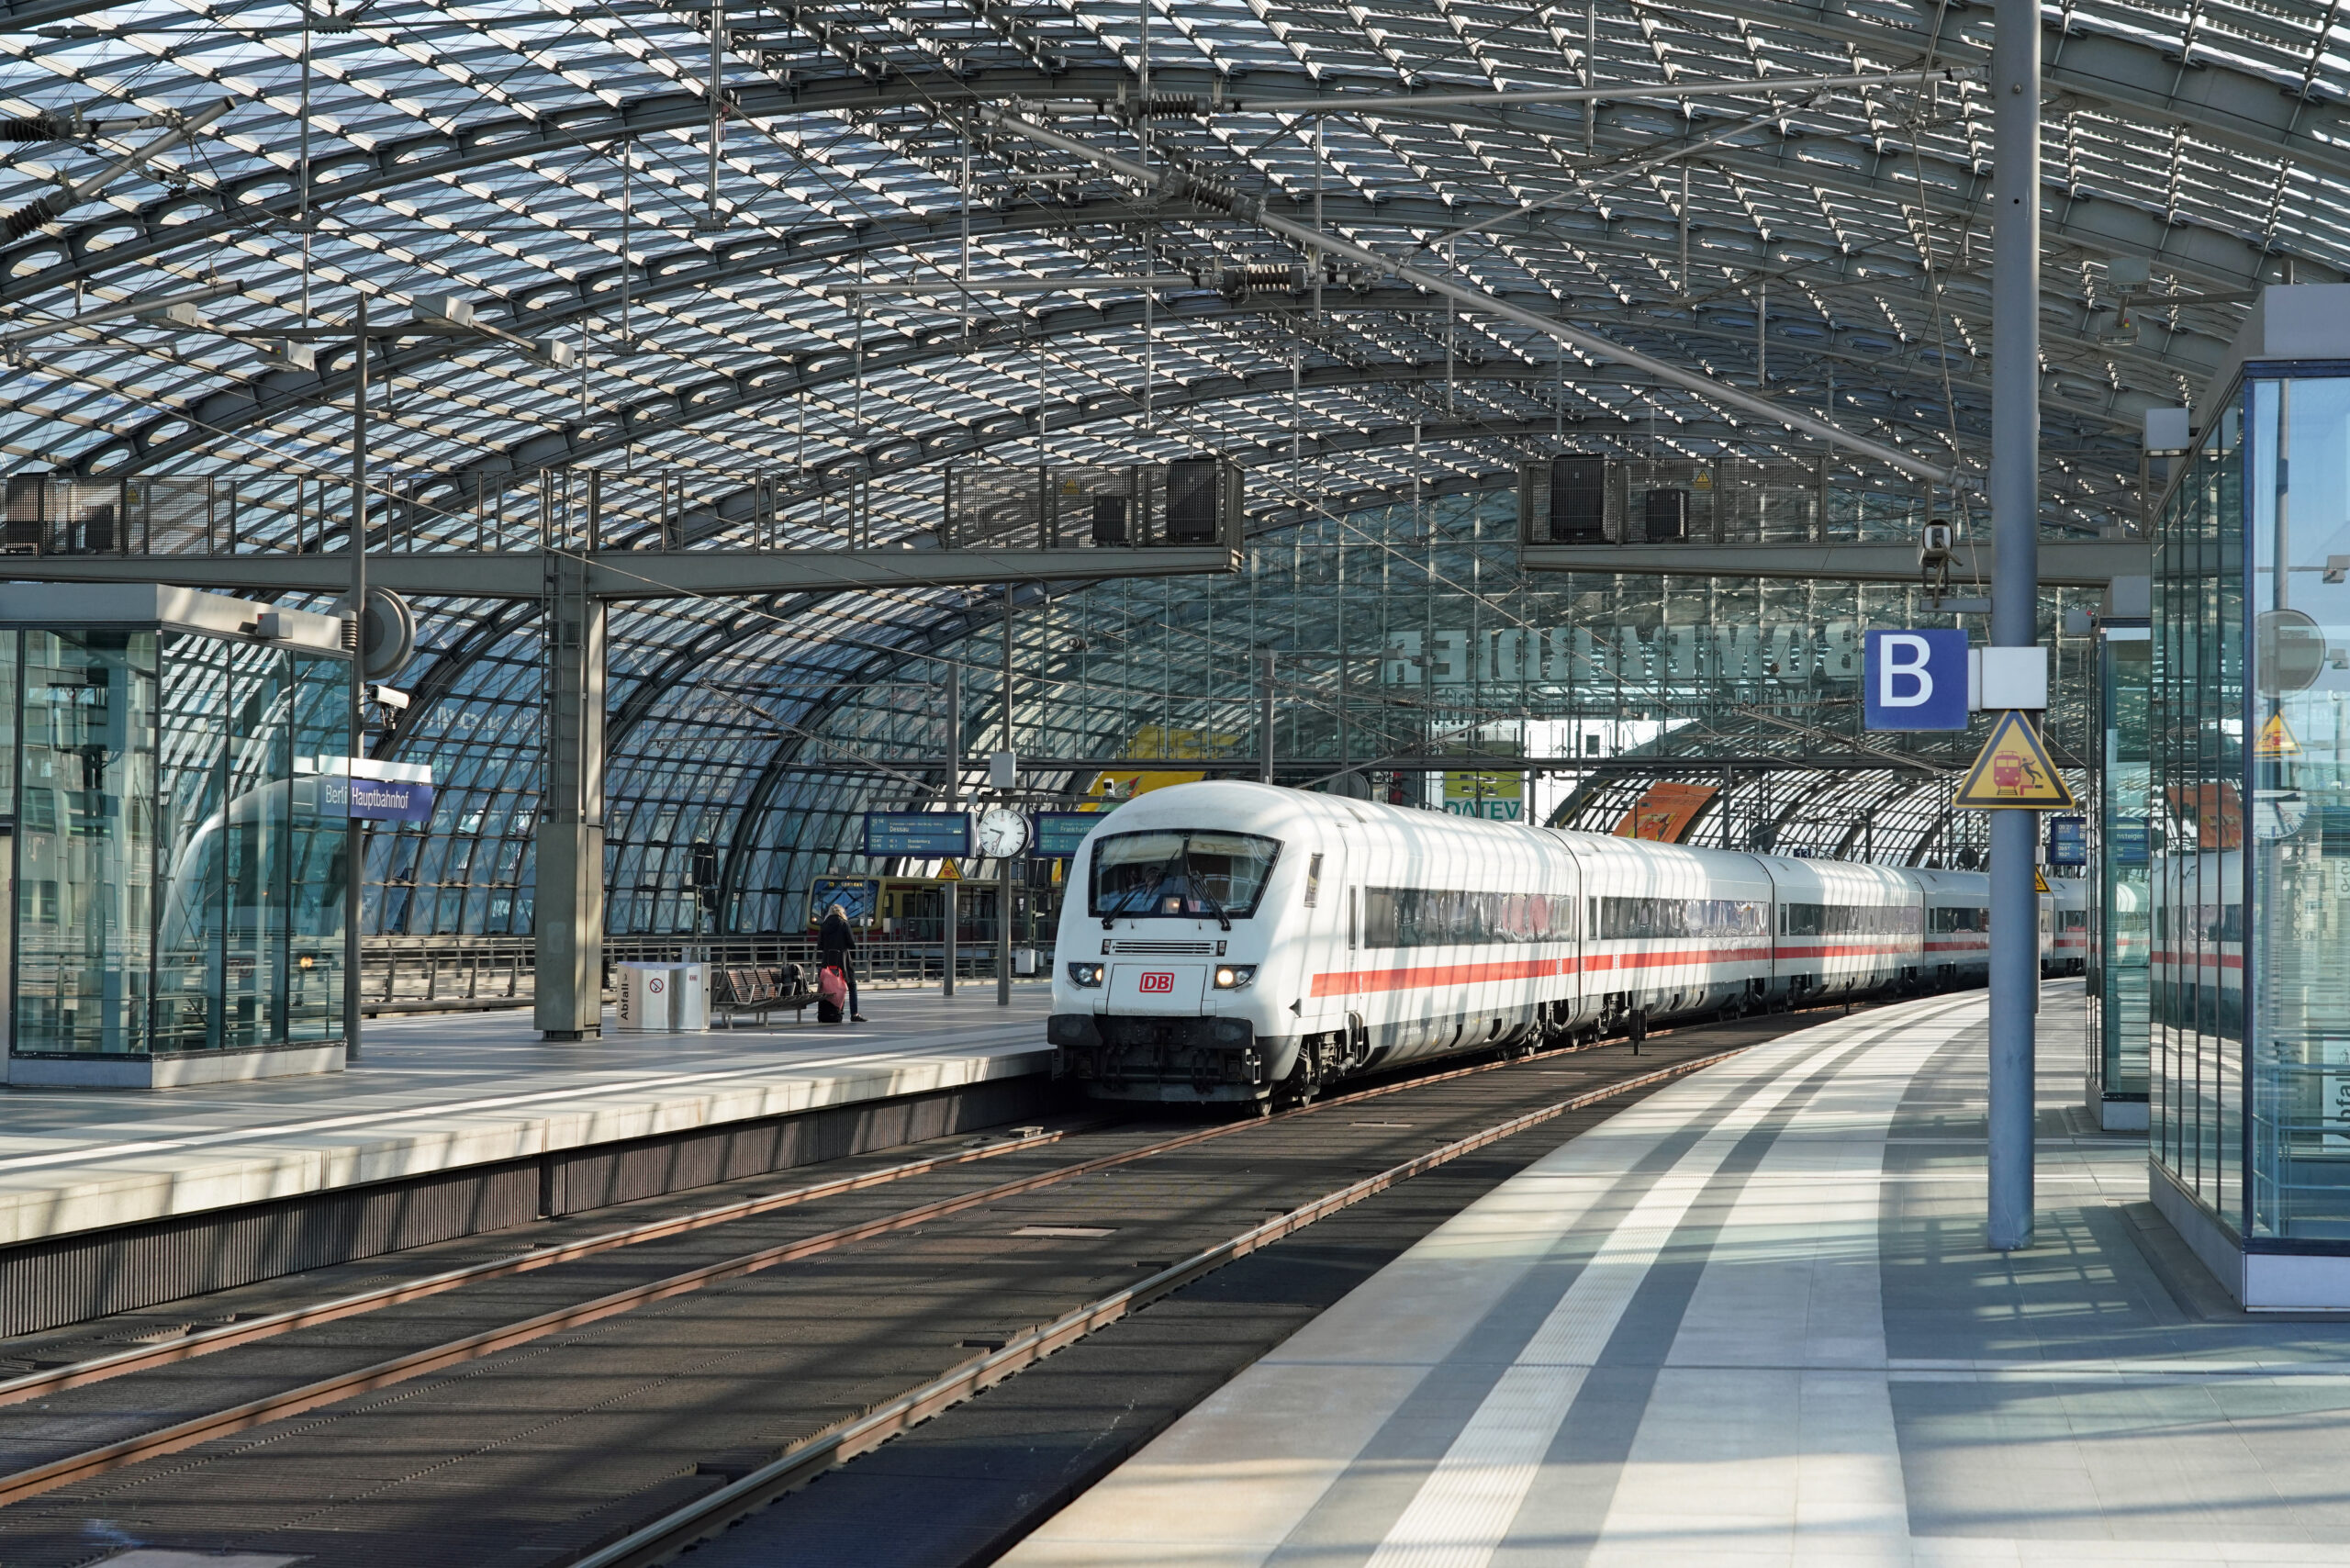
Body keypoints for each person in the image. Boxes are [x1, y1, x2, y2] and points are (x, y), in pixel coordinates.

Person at [816, 901, 865, 1023]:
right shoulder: (844, 924)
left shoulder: (824, 925)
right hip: (843, 962)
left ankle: (830, 1013)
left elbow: (820, 945)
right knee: (852, 986)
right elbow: (852, 944)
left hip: (827, 963)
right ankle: (854, 1013)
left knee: (827, 988)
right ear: (842, 913)